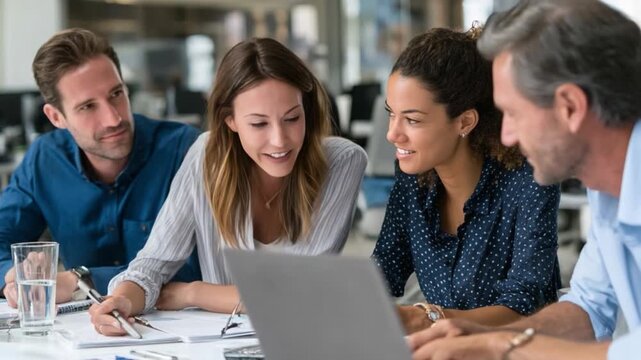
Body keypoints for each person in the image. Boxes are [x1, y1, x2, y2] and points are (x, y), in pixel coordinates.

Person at [407, 1, 641, 359]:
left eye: (513, 114)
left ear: (571, 107)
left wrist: (506, 346)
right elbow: (589, 307)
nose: (507, 136)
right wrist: (476, 332)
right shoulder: (605, 184)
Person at [88, 37, 367, 336]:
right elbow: (152, 265)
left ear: (306, 111)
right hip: (220, 344)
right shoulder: (206, 156)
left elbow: (297, 291)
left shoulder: (342, 162)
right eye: (259, 124)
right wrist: (122, 300)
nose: (280, 140)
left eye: (292, 118)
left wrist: (191, 293)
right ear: (230, 120)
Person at [372, 26, 561, 334]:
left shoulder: (529, 178)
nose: (392, 133)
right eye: (391, 114)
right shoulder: (413, 176)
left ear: (464, 121)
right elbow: (384, 269)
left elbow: (525, 303)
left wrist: (430, 318)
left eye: (413, 119)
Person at [0, 28, 202, 307]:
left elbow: (195, 270)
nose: (113, 118)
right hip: (79, 336)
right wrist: (16, 275)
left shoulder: (185, 151)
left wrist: (79, 282)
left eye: (116, 93)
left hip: (184, 332)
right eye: (87, 107)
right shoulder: (44, 159)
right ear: (56, 116)